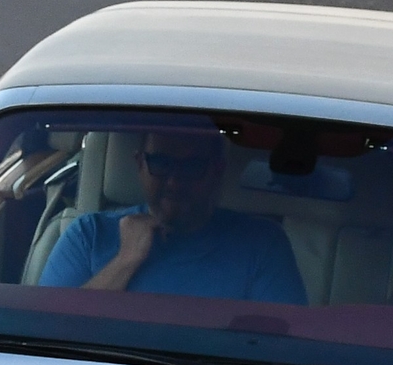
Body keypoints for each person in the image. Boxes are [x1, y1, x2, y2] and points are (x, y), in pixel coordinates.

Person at [38, 129, 306, 304]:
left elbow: (285, 350)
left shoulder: (261, 244)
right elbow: (45, 332)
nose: (175, 182)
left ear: (216, 170)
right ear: (140, 164)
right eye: (161, 163)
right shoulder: (88, 234)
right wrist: (125, 261)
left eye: (192, 166)